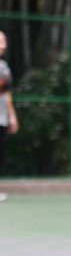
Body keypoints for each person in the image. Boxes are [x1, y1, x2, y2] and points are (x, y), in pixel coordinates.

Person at [0, 31, 20, 182]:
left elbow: (6, 94)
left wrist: (11, 116)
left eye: (3, 41)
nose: (2, 45)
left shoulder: (4, 68)